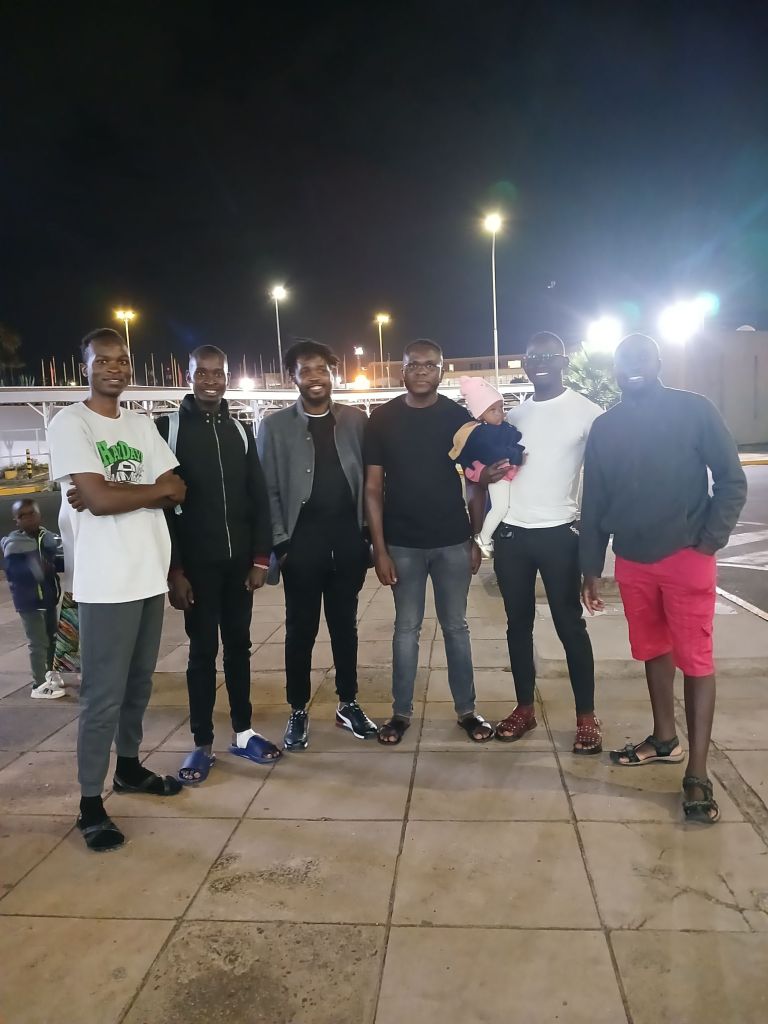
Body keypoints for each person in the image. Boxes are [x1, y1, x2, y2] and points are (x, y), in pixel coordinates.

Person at [581, 333, 747, 823]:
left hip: (686, 556)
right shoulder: (606, 426)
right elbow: (595, 501)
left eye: (641, 357)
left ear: (658, 361)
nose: (631, 366)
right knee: (653, 649)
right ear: (613, 368)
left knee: (695, 660)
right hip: (632, 559)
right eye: (623, 359)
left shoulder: (694, 410)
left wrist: (710, 539)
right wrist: (591, 567)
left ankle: (697, 771)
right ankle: (665, 739)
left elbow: (731, 479)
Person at [47, 327, 187, 853]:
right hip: (105, 580)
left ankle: (128, 767)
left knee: (138, 686)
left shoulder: (140, 423)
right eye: (103, 360)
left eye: (122, 359)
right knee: (102, 696)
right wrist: (138, 492)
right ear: (85, 366)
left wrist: (114, 492)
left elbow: (177, 488)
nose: (115, 367)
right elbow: (101, 501)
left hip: (149, 572)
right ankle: (90, 803)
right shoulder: (71, 422)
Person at [156, 345, 281, 782]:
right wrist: (176, 570)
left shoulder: (241, 430)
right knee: (202, 652)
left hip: (239, 565)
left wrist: (260, 559)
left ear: (227, 377)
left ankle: (243, 732)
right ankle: (202, 743)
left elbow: (258, 498)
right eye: (201, 373)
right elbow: (163, 508)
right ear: (188, 376)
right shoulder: (168, 429)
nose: (210, 381)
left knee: (239, 649)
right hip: (198, 568)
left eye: (218, 374)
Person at [365, 339, 493, 745]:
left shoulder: (459, 418)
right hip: (402, 544)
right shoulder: (382, 419)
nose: (421, 370)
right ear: (401, 370)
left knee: (456, 627)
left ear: (441, 370)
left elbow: (475, 483)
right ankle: (400, 714)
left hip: (452, 541)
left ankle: (467, 711)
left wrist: (477, 539)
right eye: (413, 364)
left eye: (430, 365)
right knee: (406, 629)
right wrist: (380, 549)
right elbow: (372, 488)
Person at [484, 332, 603, 753]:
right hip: (513, 535)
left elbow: (600, 482)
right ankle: (524, 708)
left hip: (560, 535)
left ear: (564, 362)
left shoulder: (589, 413)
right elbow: (492, 471)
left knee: (570, 626)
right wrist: (485, 474)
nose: (540, 363)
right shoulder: (515, 416)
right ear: (525, 364)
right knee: (518, 627)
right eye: (533, 357)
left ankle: (586, 716)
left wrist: (594, 558)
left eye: (550, 356)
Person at [257, 339, 377, 750]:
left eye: (321, 370)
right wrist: (282, 544)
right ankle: (297, 709)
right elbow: (268, 491)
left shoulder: (356, 421)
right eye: (305, 370)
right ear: (292, 378)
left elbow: (373, 482)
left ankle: (348, 703)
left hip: (347, 542)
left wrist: (366, 537)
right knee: (300, 630)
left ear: (332, 375)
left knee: (345, 627)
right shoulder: (274, 427)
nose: (314, 378)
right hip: (301, 546)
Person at [449, 376, 525, 556]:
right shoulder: (480, 434)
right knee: (500, 508)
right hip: (497, 474)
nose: (499, 413)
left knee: (505, 506)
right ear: (480, 413)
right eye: (493, 409)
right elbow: (493, 452)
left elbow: (514, 439)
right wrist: (515, 454)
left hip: (504, 471)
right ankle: (484, 537)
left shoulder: (501, 428)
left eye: (501, 407)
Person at [2, 498, 65, 698]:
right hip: (29, 602)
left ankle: (50, 673)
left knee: (52, 638)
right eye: (22, 516)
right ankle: (38, 685)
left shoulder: (47, 538)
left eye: (32, 513)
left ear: (39, 515)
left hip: (47, 598)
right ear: (16, 521)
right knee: (38, 642)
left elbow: (57, 563)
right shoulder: (14, 545)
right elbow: (16, 573)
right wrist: (37, 567)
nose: (28, 518)